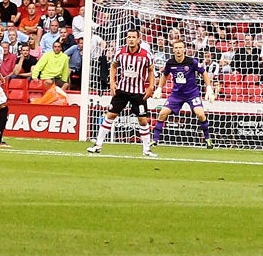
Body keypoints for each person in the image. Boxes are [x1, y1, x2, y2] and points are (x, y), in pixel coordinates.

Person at [88, 28, 158, 158]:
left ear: (138, 39)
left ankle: (147, 149)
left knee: (143, 120)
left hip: (138, 92)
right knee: (110, 115)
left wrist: (151, 87)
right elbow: (113, 66)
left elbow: (151, 70)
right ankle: (98, 145)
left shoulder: (146, 55)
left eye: (133, 37)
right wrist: (112, 82)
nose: (131, 39)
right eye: (129, 37)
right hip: (122, 89)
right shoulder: (120, 52)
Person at [153, 38, 215, 150]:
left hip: (192, 93)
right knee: (162, 113)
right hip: (176, 94)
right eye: (176, 48)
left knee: (200, 114)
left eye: (180, 48)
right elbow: (164, 75)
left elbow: (204, 72)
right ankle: (155, 140)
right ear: (173, 50)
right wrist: (159, 88)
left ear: (184, 49)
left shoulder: (192, 62)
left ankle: (207, 139)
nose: (178, 50)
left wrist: (209, 88)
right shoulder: (170, 63)